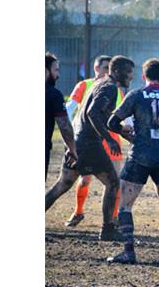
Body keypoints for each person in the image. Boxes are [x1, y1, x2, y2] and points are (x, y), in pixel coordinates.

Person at [106, 58, 159, 264]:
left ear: (144, 76)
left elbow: (112, 122)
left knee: (125, 205)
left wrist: (130, 137)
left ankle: (128, 251)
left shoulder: (136, 95)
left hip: (140, 156)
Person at [45, 55, 135, 241]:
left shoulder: (100, 84)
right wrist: (109, 139)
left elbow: (98, 117)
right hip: (89, 144)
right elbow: (92, 113)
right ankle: (108, 229)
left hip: (79, 142)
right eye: (129, 73)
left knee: (63, 184)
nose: (131, 77)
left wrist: (120, 131)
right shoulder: (109, 88)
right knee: (113, 182)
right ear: (117, 71)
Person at [64, 55, 130, 227]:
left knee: (114, 182)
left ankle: (112, 220)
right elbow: (70, 109)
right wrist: (70, 134)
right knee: (85, 180)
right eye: (103, 67)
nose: (106, 71)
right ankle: (79, 212)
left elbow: (121, 115)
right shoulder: (85, 85)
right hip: (91, 139)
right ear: (96, 68)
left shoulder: (115, 89)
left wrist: (126, 131)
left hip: (110, 138)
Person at [45, 52, 78, 180]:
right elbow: (64, 126)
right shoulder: (54, 94)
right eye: (56, 70)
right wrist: (72, 149)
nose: (58, 75)